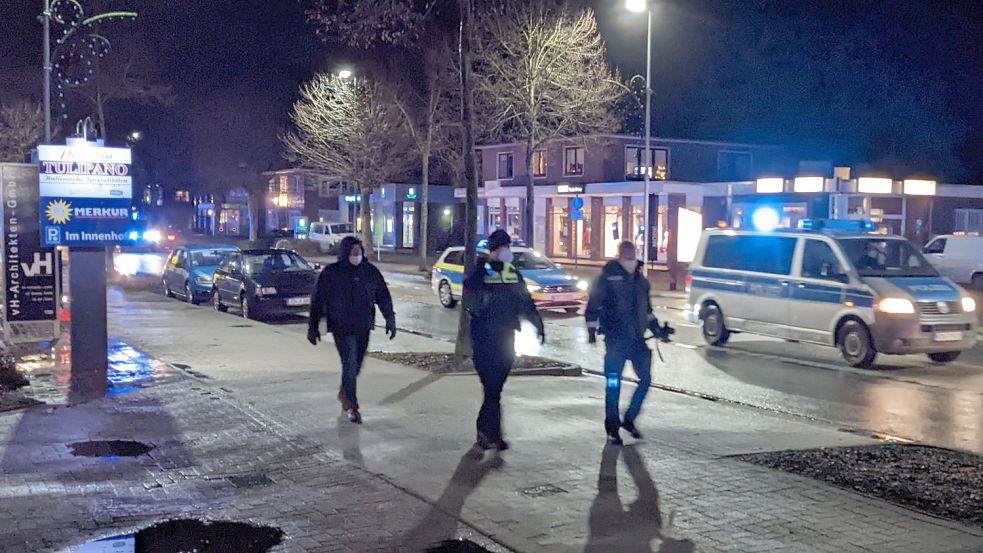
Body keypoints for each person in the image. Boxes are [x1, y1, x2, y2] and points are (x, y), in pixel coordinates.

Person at [464, 229, 545, 452]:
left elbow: (525, 299)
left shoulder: (512, 272)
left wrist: (538, 324)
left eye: (508, 246)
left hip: (506, 335)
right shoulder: (481, 270)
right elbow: (469, 293)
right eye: (504, 247)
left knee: (495, 388)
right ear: (494, 249)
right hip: (483, 337)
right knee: (491, 387)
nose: (507, 251)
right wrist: (482, 268)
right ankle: (491, 434)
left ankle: (488, 431)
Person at [585, 240, 672, 445]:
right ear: (620, 255)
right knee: (613, 383)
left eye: (632, 254)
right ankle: (612, 428)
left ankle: (629, 420)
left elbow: (647, 312)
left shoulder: (641, 281)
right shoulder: (606, 278)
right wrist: (591, 332)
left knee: (646, 380)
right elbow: (593, 307)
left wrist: (659, 330)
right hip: (615, 342)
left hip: (636, 341)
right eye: (627, 254)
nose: (631, 258)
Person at [308, 236, 396, 424]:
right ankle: (351, 406)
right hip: (341, 327)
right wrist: (313, 327)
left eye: (359, 251)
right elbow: (317, 300)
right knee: (349, 364)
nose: (357, 255)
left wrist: (390, 319)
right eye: (353, 252)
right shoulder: (332, 273)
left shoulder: (370, 272)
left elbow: (383, 296)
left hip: (363, 325)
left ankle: (344, 392)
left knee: (356, 365)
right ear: (345, 252)